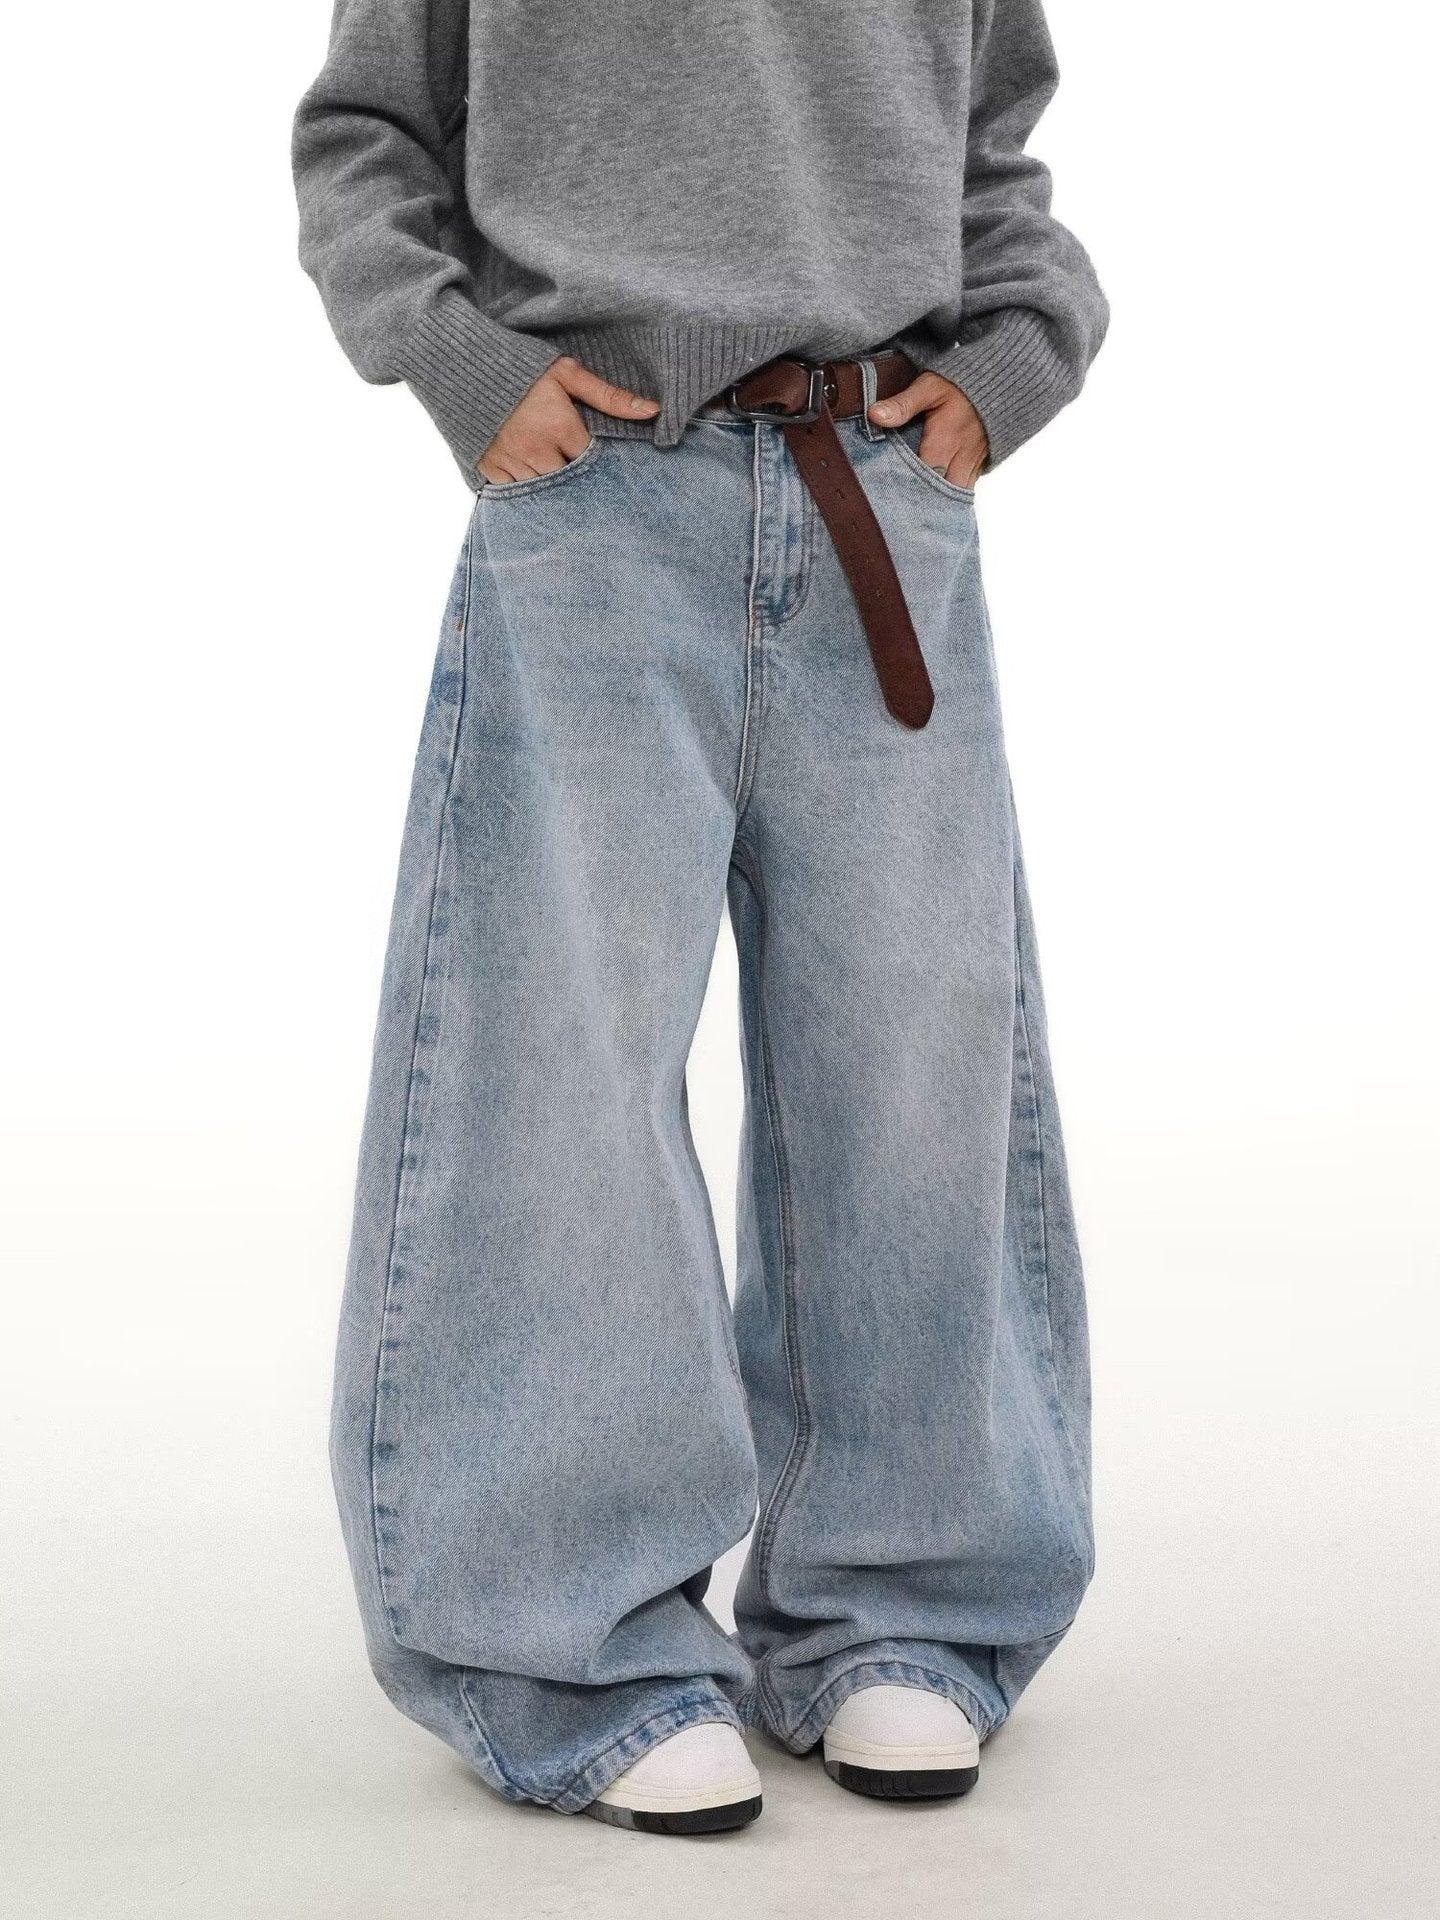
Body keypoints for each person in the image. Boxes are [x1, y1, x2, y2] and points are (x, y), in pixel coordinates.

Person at [291, 0, 1108, 1837]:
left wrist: (1014, 359)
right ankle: (570, 1637)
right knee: (560, 1069)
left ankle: (905, 1602)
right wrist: (461, 361)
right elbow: (364, 137)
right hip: (589, 493)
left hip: (883, 488)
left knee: (915, 1054)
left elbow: (994, 155)